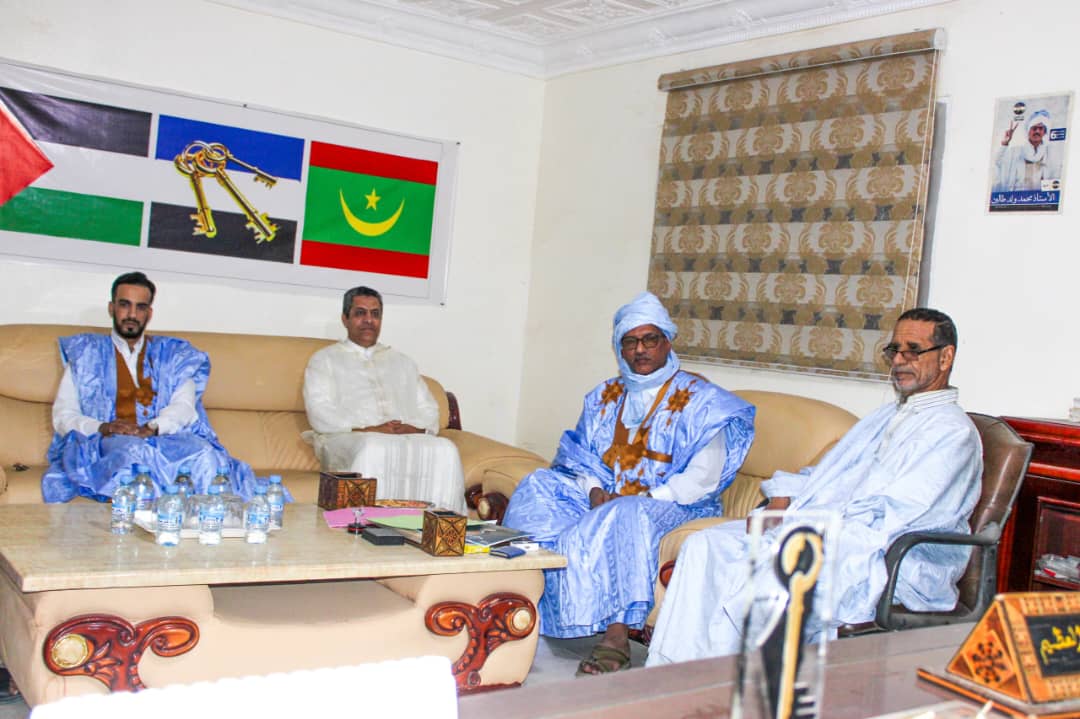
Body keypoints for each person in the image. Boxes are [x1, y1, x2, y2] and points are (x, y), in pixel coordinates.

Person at [646, 308, 982, 666]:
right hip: (836, 529)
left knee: (775, 568)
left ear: (945, 357)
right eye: (894, 350)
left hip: (891, 554)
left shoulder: (952, 432)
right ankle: (681, 675)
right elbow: (828, 475)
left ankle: (752, 685)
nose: (899, 361)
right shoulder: (888, 416)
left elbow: (897, 515)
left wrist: (806, 519)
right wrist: (782, 497)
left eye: (912, 350)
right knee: (705, 545)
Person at [503, 292, 755, 676]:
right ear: (619, 348)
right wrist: (593, 490)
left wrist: (643, 496)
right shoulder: (605, 395)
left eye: (649, 339)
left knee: (626, 513)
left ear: (667, 341)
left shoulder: (704, 401)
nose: (640, 350)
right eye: (630, 341)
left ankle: (616, 637)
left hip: (675, 504)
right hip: (607, 496)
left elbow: (703, 477)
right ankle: (519, 602)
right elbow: (582, 454)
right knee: (539, 486)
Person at [43, 272, 258, 502]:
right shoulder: (85, 353)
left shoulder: (173, 354)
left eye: (141, 307)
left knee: (203, 453)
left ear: (149, 313)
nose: (132, 315)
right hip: (106, 442)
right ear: (111, 308)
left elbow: (184, 406)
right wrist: (103, 427)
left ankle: (204, 519)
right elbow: (63, 415)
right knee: (134, 454)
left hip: (163, 437)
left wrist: (153, 427)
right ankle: (153, 519)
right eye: (124, 305)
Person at [303, 286, 466, 513]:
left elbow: (428, 408)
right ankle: (364, 525)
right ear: (345, 319)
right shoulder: (325, 360)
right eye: (360, 313)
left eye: (375, 314)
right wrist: (366, 428)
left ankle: (439, 525)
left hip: (402, 435)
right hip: (347, 436)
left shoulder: (402, 362)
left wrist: (414, 428)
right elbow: (319, 410)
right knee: (373, 446)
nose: (368, 320)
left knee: (446, 449)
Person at [994, 109, 1052, 192]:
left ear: (1044, 132)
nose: (1037, 131)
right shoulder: (1015, 151)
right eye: (1034, 128)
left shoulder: (1049, 153)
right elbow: (998, 161)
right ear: (1028, 131)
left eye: (1040, 128)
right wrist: (1005, 143)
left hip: (1039, 197)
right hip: (1017, 196)